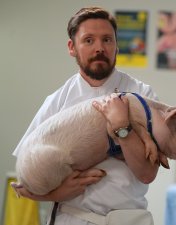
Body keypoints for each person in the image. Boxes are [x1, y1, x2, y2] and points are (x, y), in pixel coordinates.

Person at [12, 6, 159, 225]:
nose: (100, 48)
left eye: (107, 40)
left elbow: (148, 173)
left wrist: (122, 129)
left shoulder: (142, 95)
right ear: (72, 47)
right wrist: (56, 194)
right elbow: (23, 181)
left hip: (128, 218)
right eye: (89, 40)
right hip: (72, 218)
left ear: (116, 46)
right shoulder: (57, 101)